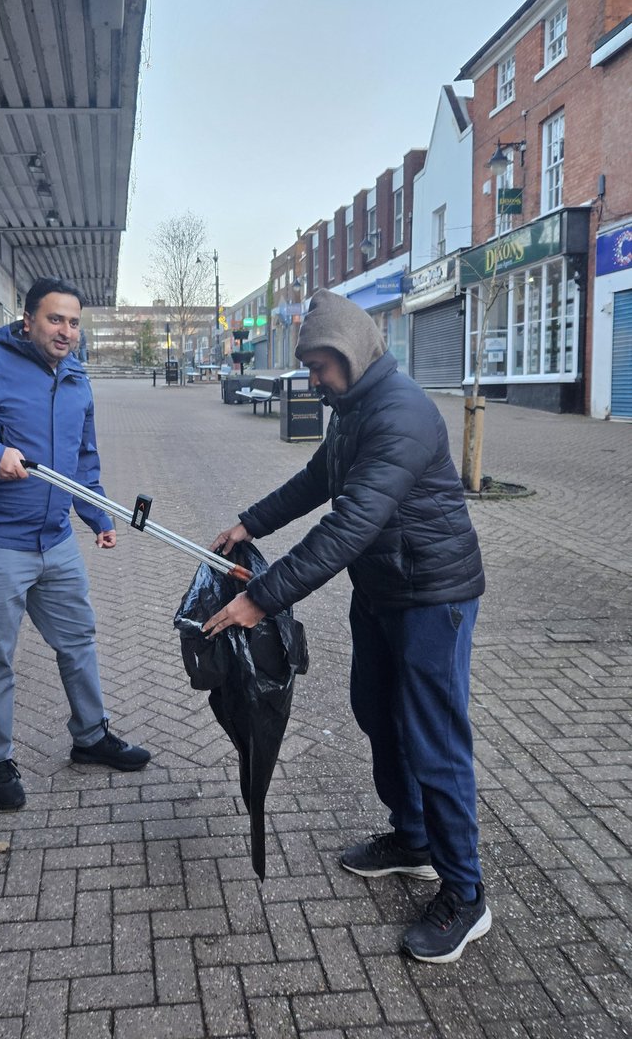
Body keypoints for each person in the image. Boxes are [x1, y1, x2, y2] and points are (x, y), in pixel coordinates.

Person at [202, 289, 489, 964]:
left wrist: (262, 599)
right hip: (384, 591)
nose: (311, 381)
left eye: (318, 368)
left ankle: (466, 893)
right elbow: (317, 480)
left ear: (350, 356)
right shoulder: (354, 408)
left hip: (433, 598)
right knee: (375, 712)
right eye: (307, 368)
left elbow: (351, 522)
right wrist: (251, 521)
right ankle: (413, 837)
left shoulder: (404, 414)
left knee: (433, 739)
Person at [0, 276, 150, 811]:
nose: (66, 331)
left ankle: (90, 737)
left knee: (78, 641)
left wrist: (95, 514)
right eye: (55, 319)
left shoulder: (76, 376)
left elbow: (83, 459)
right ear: (28, 320)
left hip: (54, 538)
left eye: (74, 322)